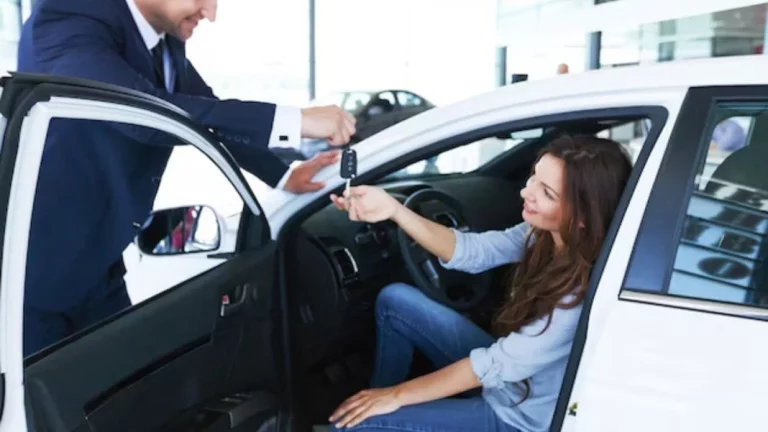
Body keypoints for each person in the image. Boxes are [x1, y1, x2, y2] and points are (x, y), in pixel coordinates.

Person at [17, 0, 356, 356]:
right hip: (32, 275)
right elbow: (145, 114)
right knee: (37, 404)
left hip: (99, 259)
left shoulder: (163, 36)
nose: (211, 13)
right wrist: (294, 120)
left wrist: (283, 175)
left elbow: (203, 106)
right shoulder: (67, 17)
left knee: (121, 390)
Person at [327, 135, 632, 432]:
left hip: (516, 417)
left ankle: (376, 414)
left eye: (547, 193)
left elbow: (491, 366)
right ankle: (376, 406)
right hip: (508, 378)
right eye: (534, 178)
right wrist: (395, 210)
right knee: (395, 301)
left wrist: (396, 397)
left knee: (352, 426)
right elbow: (475, 251)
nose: (527, 192)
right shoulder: (540, 235)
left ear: (582, 217)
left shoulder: (578, 296)